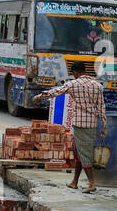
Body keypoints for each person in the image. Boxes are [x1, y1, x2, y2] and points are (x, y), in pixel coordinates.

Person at [36, 59, 107, 193]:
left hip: (79, 124)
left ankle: (92, 183)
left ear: (75, 72)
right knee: (78, 151)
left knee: (84, 153)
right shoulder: (98, 86)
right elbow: (101, 108)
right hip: (92, 124)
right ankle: (74, 181)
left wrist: (40, 96)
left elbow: (55, 92)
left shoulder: (73, 84)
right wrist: (103, 126)